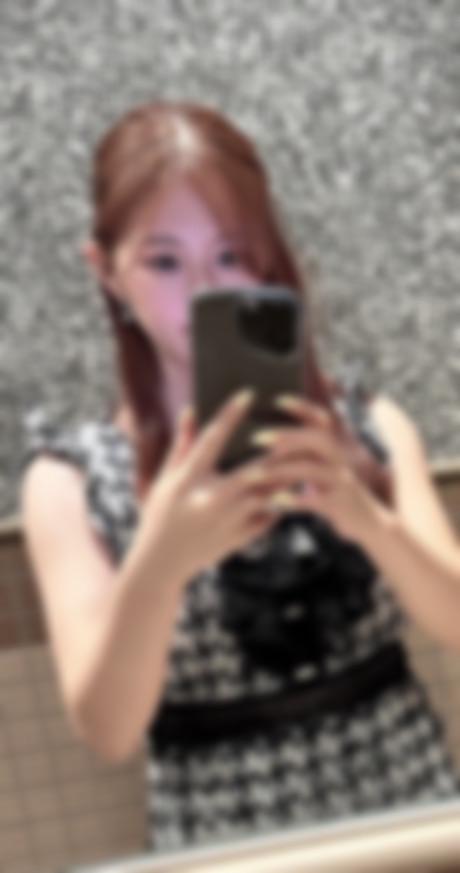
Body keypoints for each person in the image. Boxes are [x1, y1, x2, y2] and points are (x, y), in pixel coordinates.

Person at [19, 100, 460, 851]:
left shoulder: (370, 426)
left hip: (406, 814)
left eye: (230, 254)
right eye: (164, 261)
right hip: (225, 840)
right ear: (108, 272)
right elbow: (108, 732)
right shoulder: (70, 485)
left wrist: (367, 520)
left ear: (265, 258)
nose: (203, 290)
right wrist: (160, 563)